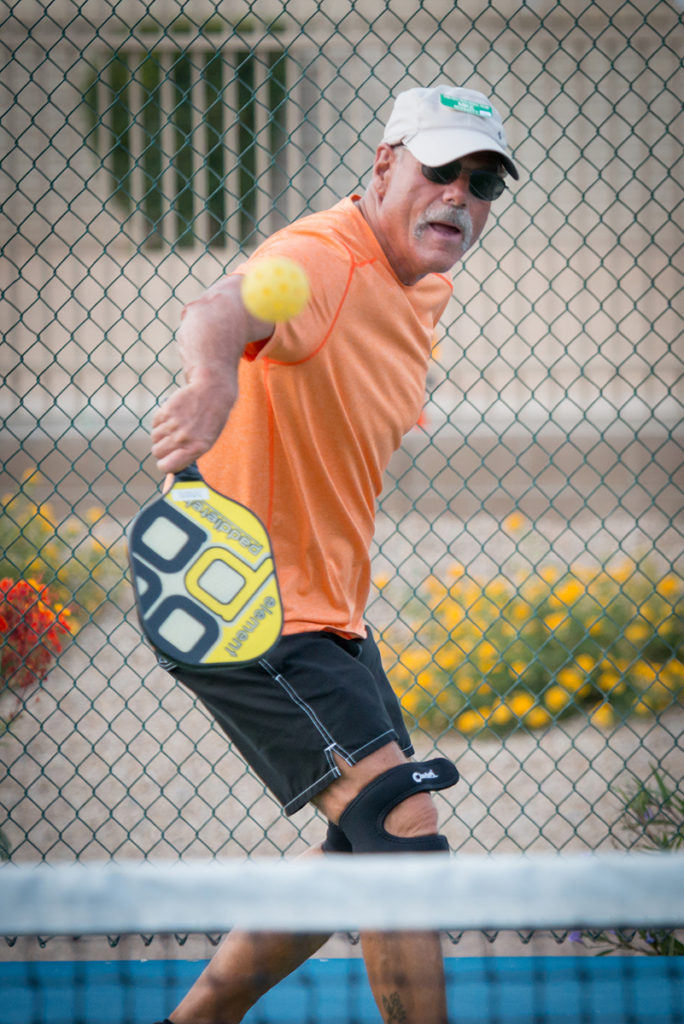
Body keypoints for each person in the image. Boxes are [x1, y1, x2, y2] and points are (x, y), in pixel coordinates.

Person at [149, 83, 518, 1024]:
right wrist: (209, 382)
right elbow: (223, 305)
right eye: (442, 170)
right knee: (401, 820)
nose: (462, 197)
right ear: (387, 164)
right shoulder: (322, 256)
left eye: (484, 183)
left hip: (326, 606)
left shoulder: (423, 283)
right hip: (243, 599)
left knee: (356, 853)